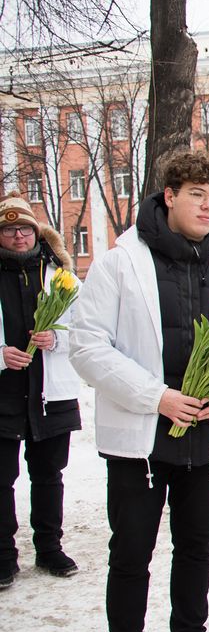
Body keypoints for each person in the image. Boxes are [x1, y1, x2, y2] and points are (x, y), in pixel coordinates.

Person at [70, 150, 209, 632]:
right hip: (141, 437)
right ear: (169, 195)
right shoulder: (120, 262)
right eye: (197, 194)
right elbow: (87, 344)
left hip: (204, 436)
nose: (208, 206)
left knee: (197, 547)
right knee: (131, 552)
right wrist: (157, 397)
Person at [0, 192, 82, 590]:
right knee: (2, 477)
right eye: (9, 229)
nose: (18, 236)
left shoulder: (60, 276)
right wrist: (1, 355)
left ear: (38, 232)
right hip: (5, 394)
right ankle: (3, 555)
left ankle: (49, 548)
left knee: (49, 474)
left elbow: (86, 331)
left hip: (52, 394)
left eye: (25, 229)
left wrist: (56, 338)